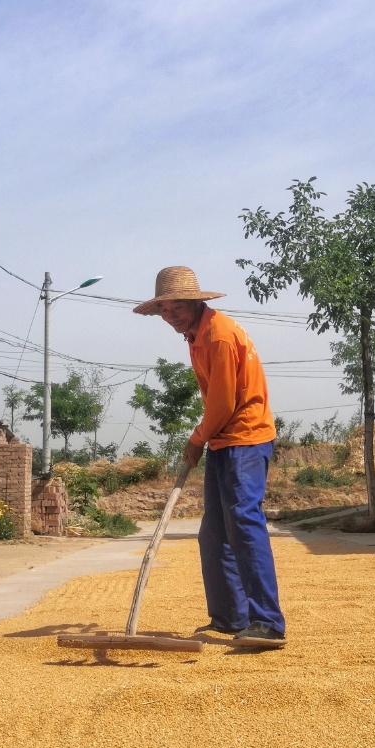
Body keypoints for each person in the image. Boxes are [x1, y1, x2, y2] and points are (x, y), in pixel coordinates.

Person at [134, 266, 286, 646]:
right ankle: (230, 618)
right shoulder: (196, 335)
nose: (170, 316)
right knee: (215, 534)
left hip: (244, 438)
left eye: (176, 307)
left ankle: (268, 623)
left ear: (194, 302)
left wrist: (196, 438)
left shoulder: (218, 335)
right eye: (164, 310)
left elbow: (223, 403)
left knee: (243, 524)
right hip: (223, 439)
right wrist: (206, 437)